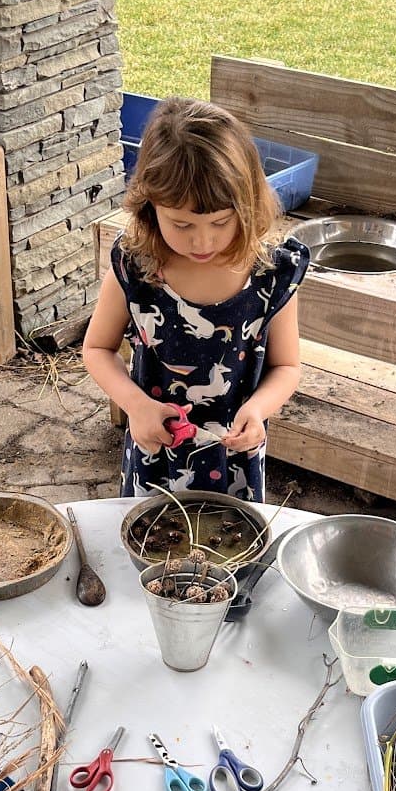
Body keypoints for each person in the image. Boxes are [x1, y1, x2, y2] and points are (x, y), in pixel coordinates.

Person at [82, 97, 309, 502]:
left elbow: (287, 366)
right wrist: (135, 405)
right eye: (181, 224)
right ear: (150, 207)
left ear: (248, 204)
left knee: (232, 551)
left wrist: (258, 411)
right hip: (156, 455)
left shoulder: (272, 274)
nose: (202, 241)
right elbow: (97, 348)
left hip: (234, 458)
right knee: (152, 547)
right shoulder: (136, 267)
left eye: (220, 222)